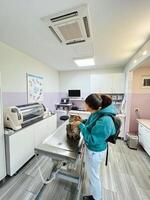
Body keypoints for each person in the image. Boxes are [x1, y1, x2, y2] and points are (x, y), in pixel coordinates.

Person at [72, 94, 117, 200]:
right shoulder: (97, 112)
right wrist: (82, 122)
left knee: (94, 176)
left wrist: (80, 126)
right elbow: (90, 123)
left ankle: (96, 198)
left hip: (95, 151)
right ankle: (94, 195)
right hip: (92, 150)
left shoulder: (105, 121)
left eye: (87, 106)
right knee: (92, 173)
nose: (85, 107)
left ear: (97, 107)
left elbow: (91, 139)